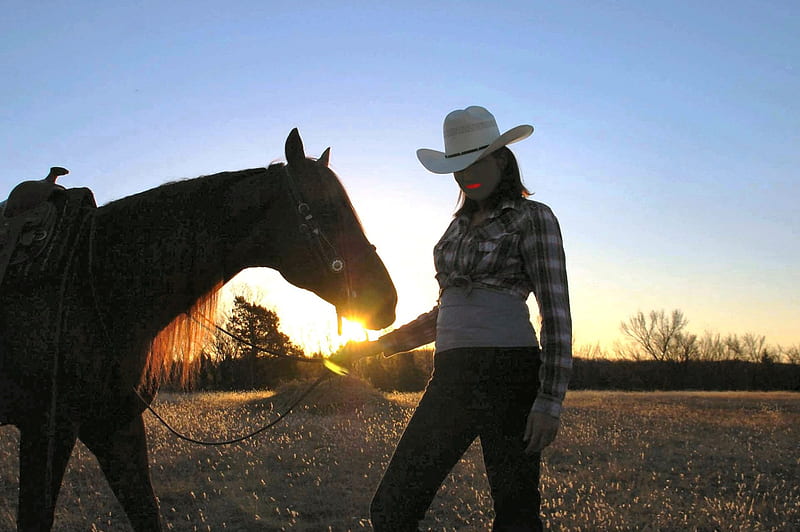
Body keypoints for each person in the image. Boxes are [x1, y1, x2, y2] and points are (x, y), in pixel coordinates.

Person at [333, 105, 572, 531]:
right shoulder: (456, 229)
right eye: (458, 168)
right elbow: (443, 315)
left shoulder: (533, 218)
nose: (466, 176)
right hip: (451, 377)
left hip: (512, 376)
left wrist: (549, 402)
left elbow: (556, 313)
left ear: (500, 160)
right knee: (392, 507)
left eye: (475, 163)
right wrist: (376, 347)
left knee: (516, 515)